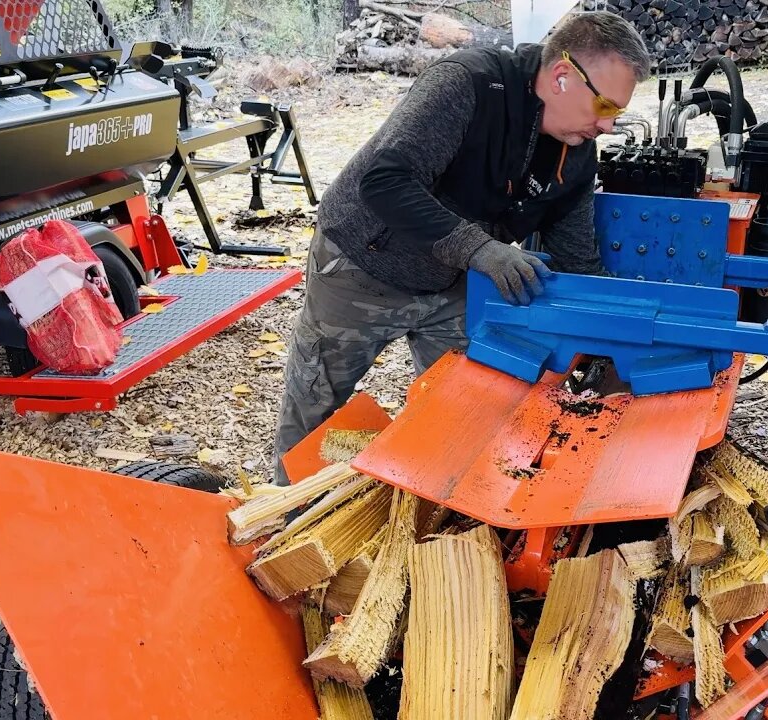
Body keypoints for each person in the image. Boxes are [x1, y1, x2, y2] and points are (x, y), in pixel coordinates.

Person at [272, 11, 651, 483]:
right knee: (317, 400)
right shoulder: (467, 85)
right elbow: (386, 182)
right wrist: (482, 250)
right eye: (607, 107)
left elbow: (576, 255)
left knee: (464, 407)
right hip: (363, 264)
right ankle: (281, 520)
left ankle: (435, 517)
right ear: (561, 77)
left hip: (454, 282)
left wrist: (615, 333)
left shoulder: (575, 151)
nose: (609, 126)